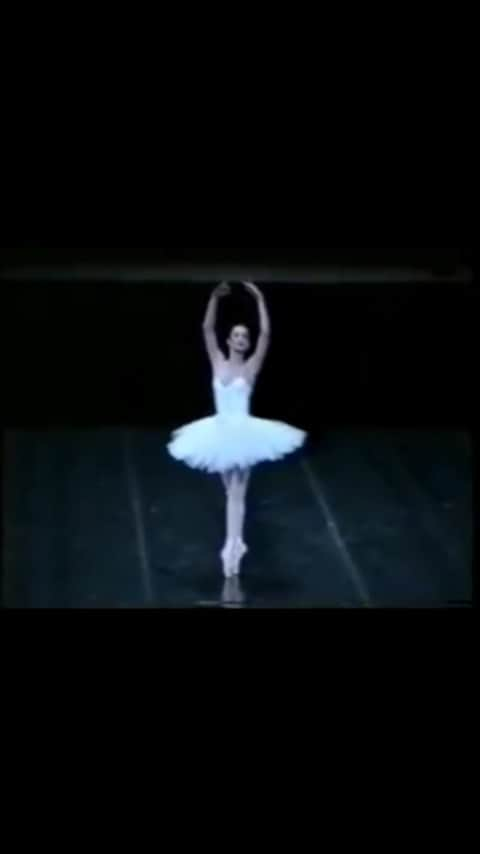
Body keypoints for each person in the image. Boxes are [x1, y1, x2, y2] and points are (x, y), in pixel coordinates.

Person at [167, 282, 307, 578]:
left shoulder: (251, 368)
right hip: (218, 432)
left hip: (244, 434)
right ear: (229, 340)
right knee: (230, 489)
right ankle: (236, 542)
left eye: (246, 336)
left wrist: (259, 298)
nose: (243, 339)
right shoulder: (217, 360)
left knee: (237, 493)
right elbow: (206, 329)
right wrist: (213, 299)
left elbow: (267, 334)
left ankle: (231, 549)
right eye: (238, 335)